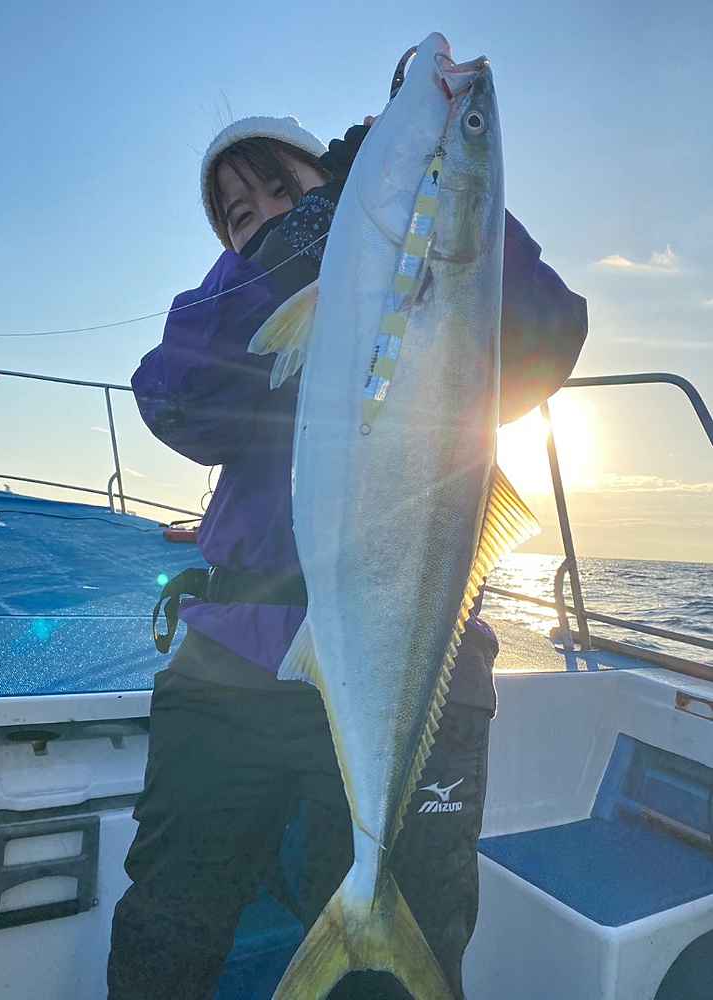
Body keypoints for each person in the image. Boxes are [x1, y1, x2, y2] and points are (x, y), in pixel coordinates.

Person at [107, 113, 587, 1000]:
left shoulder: (428, 284)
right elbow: (172, 396)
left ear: (344, 185)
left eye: (286, 190)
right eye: (242, 217)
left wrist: (441, 183)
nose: (268, 216)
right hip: (233, 666)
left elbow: (547, 333)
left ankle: (377, 923)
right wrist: (285, 253)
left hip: (420, 658)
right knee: (166, 933)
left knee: (401, 961)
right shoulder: (246, 312)